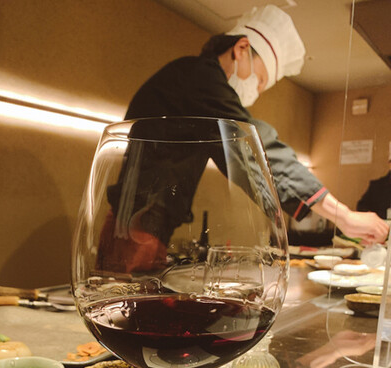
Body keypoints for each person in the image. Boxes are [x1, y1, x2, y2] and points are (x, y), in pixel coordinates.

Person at [122, 4, 388, 247]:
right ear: (241, 48)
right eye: (260, 79)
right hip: (135, 228)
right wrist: (343, 215)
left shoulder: (198, 90)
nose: (257, 91)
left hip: (146, 224)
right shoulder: (198, 77)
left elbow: (247, 158)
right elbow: (254, 147)